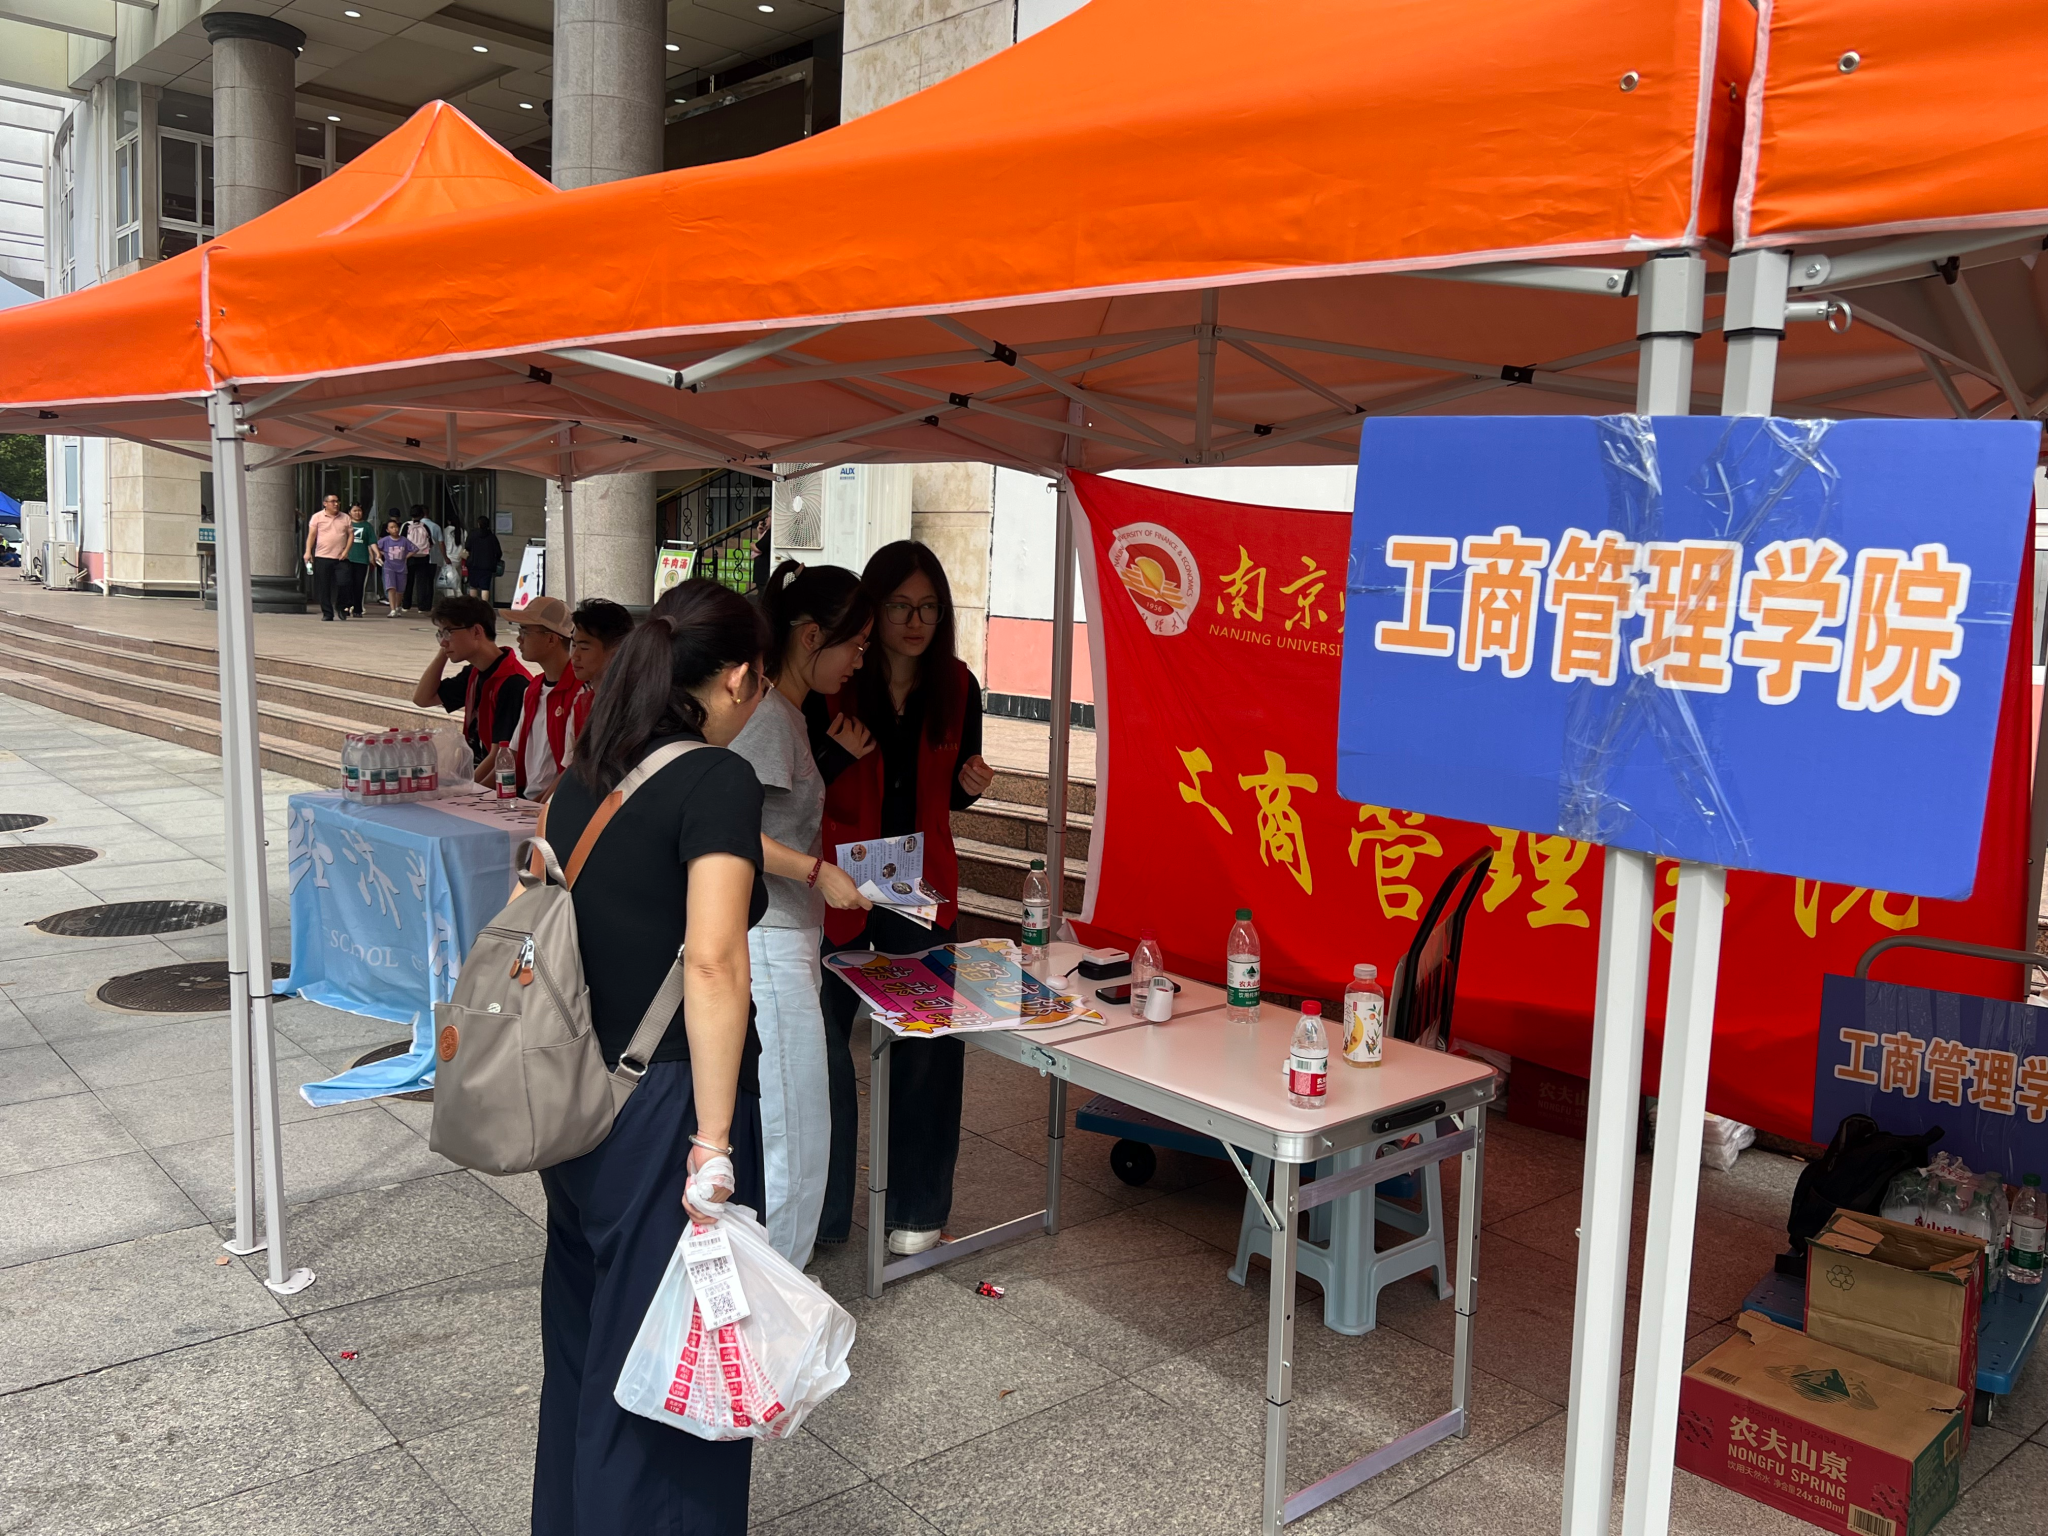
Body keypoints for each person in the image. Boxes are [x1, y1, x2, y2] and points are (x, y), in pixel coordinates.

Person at [534, 577, 770, 1535]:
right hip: (667, 1104)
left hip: (575, 1095)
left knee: (586, 1344)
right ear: (739, 677)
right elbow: (713, 962)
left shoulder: (588, 769)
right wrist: (714, 1141)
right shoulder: (718, 780)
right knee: (670, 1370)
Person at [813, 541, 993, 1255]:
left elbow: (952, 791)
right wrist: (836, 755)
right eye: (899, 607)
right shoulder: (838, 679)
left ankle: (917, 1210)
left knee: (929, 1043)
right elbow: (801, 779)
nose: (915, 622)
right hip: (837, 880)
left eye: (928, 608)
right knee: (823, 1043)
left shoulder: (958, 685)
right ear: (873, 608)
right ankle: (821, 1209)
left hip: (921, 887)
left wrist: (969, 789)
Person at [727, 562, 875, 1267]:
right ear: (812, 635)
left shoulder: (786, 713)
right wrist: (818, 872)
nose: (859, 662)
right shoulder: (766, 717)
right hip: (769, 937)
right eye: (856, 645)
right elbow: (729, 830)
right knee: (793, 1119)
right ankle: (781, 1281)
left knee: (796, 1115)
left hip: (786, 933)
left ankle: (781, 1273)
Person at [412, 594, 532, 767]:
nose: (443, 642)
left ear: (476, 631)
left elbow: (500, 757)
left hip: (497, 778)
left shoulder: (513, 682)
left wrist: (467, 783)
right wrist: (444, 652)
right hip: (474, 772)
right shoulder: (474, 673)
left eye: (448, 632)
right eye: (440, 634)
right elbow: (423, 699)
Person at [500, 595, 578, 799]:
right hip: (526, 799)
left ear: (551, 639)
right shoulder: (533, 688)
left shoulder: (580, 692)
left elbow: (574, 768)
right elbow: (513, 752)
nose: (519, 639)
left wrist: (537, 808)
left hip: (554, 804)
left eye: (525, 631)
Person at [568, 598, 634, 738]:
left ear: (616, 651)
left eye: (584, 648)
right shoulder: (582, 704)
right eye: (573, 645)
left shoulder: (634, 706)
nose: (574, 656)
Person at [302, 493, 352, 621]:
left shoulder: (345, 517)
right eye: (332, 501)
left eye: (337, 501)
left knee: (344, 582)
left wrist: (346, 551)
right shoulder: (317, 517)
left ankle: (341, 606)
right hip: (323, 556)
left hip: (341, 557)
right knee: (324, 586)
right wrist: (308, 552)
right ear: (325, 503)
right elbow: (312, 535)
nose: (336, 504)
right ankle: (327, 613)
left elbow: (351, 535)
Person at [371, 516, 411, 618]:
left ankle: (397, 607)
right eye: (392, 527)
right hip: (389, 567)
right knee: (391, 587)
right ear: (387, 530)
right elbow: (374, 546)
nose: (395, 529)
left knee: (400, 590)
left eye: (396, 527)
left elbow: (414, 549)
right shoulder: (385, 540)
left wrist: (405, 556)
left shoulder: (404, 540)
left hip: (401, 567)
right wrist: (382, 554)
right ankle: (392, 609)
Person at [403, 504, 440, 613]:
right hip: (423, 557)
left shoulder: (406, 526)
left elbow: (401, 541)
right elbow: (431, 543)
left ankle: (406, 605)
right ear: (422, 514)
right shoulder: (425, 526)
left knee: (408, 581)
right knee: (422, 583)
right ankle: (422, 606)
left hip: (409, 557)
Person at [342, 503, 372, 617]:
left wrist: (375, 555)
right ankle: (346, 606)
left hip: (362, 559)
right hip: (347, 558)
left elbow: (371, 542)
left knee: (359, 585)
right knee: (346, 583)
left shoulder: (367, 526)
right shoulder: (345, 524)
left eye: (359, 510)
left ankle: (357, 609)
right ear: (349, 512)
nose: (357, 513)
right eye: (355, 511)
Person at [464, 515, 502, 602]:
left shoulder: (472, 535)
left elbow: (467, 547)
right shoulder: (492, 537)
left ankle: (473, 606)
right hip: (487, 566)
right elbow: (498, 552)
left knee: (473, 586)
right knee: (485, 587)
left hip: (473, 565)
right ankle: (484, 605)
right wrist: (496, 560)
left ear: (478, 524)